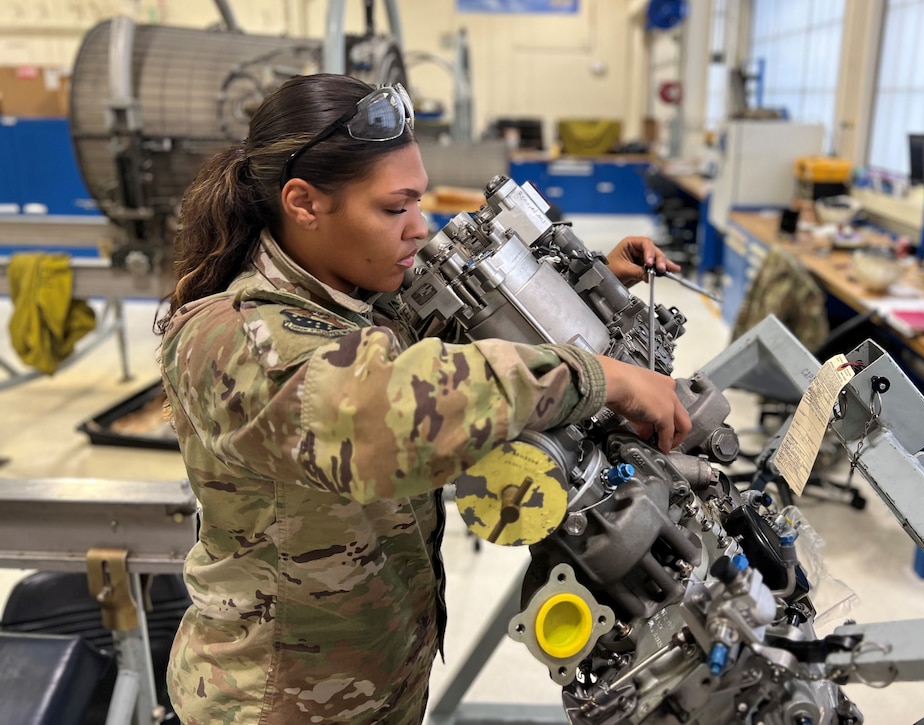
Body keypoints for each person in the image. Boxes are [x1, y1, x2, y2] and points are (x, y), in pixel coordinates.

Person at [157, 72, 690, 725]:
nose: (419, 227)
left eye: (418, 202)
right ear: (303, 202)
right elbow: (391, 410)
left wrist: (582, 287)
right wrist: (602, 376)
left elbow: (435, 345)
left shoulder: (351, 303)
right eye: (393, 208)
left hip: (371, 692)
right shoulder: (232, 336)